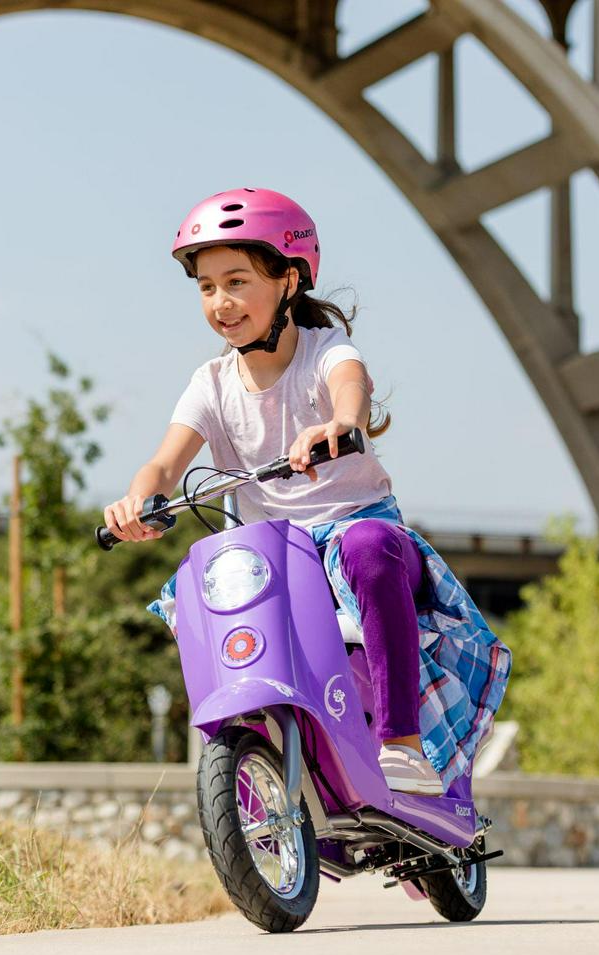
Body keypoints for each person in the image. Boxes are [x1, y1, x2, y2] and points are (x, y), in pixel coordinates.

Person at [103, 188, 508, 797]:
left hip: (357, 533)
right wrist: (136, 501)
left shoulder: (325, 352)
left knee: (369, 548)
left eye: (237, 282)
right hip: (273, 550)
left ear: (289, 281)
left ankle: (401, 742)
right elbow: (163, 464)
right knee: (195, 591)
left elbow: (350, 387)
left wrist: (341, 424)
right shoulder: (211, 384)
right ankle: (247, 737)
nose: (220, 302)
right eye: (207, 287)